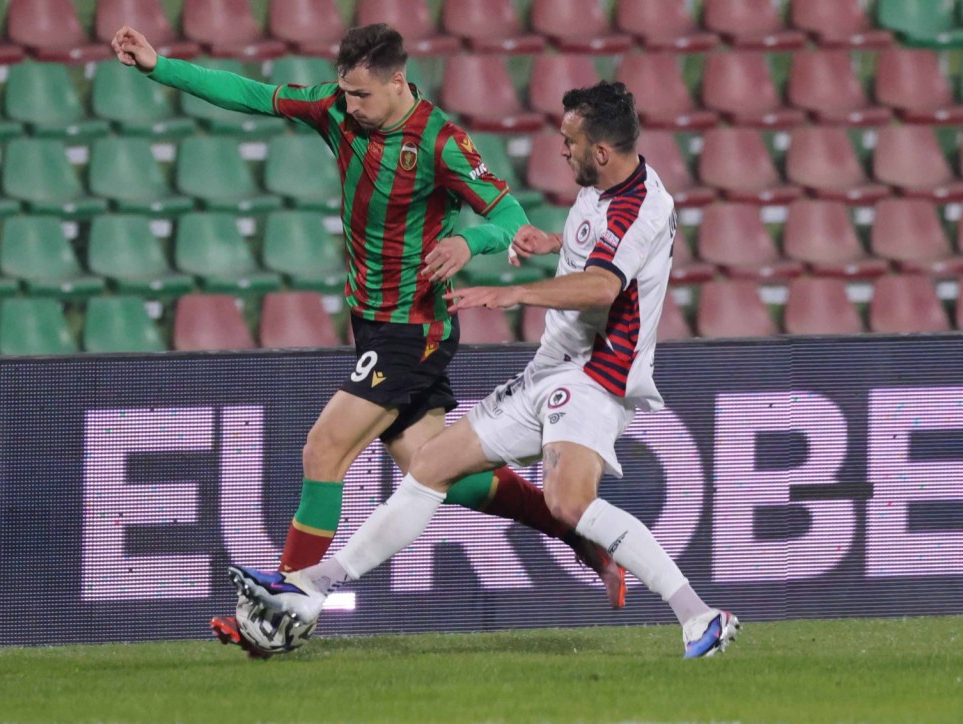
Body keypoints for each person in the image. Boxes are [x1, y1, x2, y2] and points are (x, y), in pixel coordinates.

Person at [111, 24, 625, 657]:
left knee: (323, 450)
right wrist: (159, 66)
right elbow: (251, 93)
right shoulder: (337, 111)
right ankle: (569, 524)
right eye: (346, 93)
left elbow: (510, 218)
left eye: (361, 94)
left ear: (397, 82)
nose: (349, 106)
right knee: (439, 472)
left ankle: (284, 610)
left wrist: (471, 242)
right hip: (375, 327)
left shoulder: (442, 141)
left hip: (417, 329)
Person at [229, 81, 740, 658]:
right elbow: (597, 253)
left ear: (601, 150)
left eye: (569, 141)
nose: (561, 150)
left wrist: (514, 292)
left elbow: (603, 283)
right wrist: (551, 243)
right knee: (430, 465)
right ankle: (310, 588)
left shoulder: (643, 206)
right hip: (552, 370)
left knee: (569, 502)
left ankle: (700, 616)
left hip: (596, 376)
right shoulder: (602, 188)